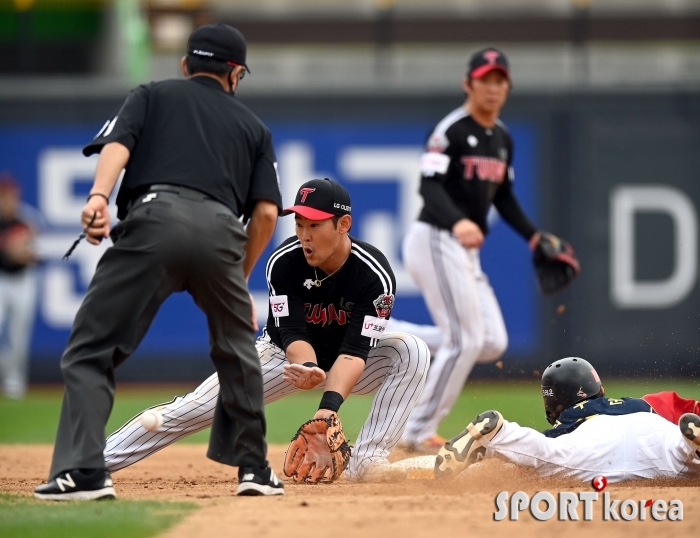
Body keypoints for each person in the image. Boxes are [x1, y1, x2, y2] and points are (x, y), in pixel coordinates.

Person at [34, 23, 284, 501]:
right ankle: (254, 468)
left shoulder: (150, 94)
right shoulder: (254, 127)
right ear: (234, 74)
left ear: (186, 64)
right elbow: (267, 213)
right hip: (220, 235)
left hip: (153, 221)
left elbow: (116, 147)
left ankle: (85, 471)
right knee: (237, 354)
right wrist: (240, 273)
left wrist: (98, 197)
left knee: (92, 349)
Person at [103, 178, 430, 482]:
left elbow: (355, 350)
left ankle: (365, 462)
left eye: (314, 225)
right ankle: (92, 461)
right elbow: (291, 332)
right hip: (283, 359)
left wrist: (326, 411)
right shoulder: (285, 261)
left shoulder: (373, 274)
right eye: (299, 224)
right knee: (195, 408)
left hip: (350, 363)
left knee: (411, 351)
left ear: (343, 224)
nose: (305, 235)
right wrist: (307, 366)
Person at [400, 48, 567, 453]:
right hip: (437, 237)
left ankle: (391, 336)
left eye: (499, 80)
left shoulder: (502, 137)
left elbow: (504, 196)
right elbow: (429, 186)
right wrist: (458, 220)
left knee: (490, 340)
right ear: (468, 84)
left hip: (462, 250)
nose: (492, 87)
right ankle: (416, 432)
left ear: (506, 86)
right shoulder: (452, 131)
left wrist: (532, 236)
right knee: (465, 340)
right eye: (484, 80)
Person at [435, 357, 700, 482]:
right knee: (682, 453)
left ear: (554, 403)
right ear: (599, 388)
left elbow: (531, 462)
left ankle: (499, 434)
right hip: (651, 432)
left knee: (544, 456)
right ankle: (690, 445)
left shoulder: (565, 425)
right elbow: (688, 407)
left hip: (592, 446)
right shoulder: (642, 403)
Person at [0, 173, 38, 399]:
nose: (8, 200)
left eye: (11, 195)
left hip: (23, 281)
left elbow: (36, 253)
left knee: (18, 335)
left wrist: (22, 253)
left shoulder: (27, 218)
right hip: (0, 279)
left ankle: (14, 380)